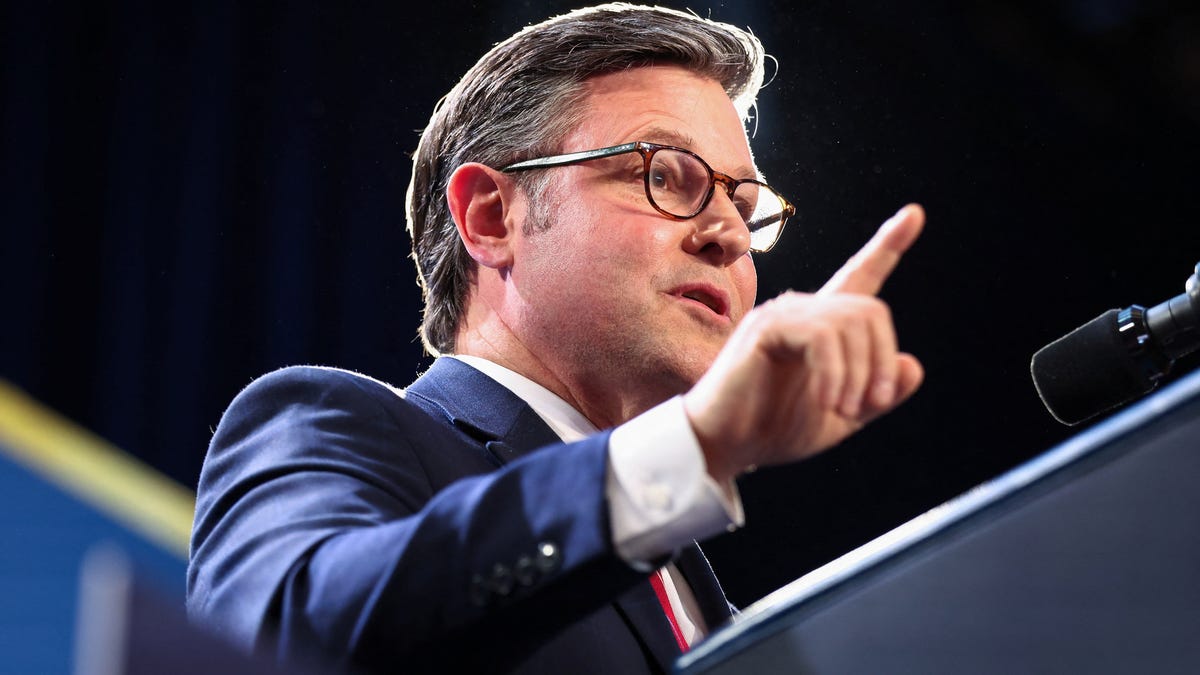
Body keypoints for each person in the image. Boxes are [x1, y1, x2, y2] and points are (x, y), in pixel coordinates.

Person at [186, 4, 925, 674]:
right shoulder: (335, 425)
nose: (729, 234)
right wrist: (691, 448)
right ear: (491, 218)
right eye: (666, 175)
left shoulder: (690, 583)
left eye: (746, 204)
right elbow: (285, 642)